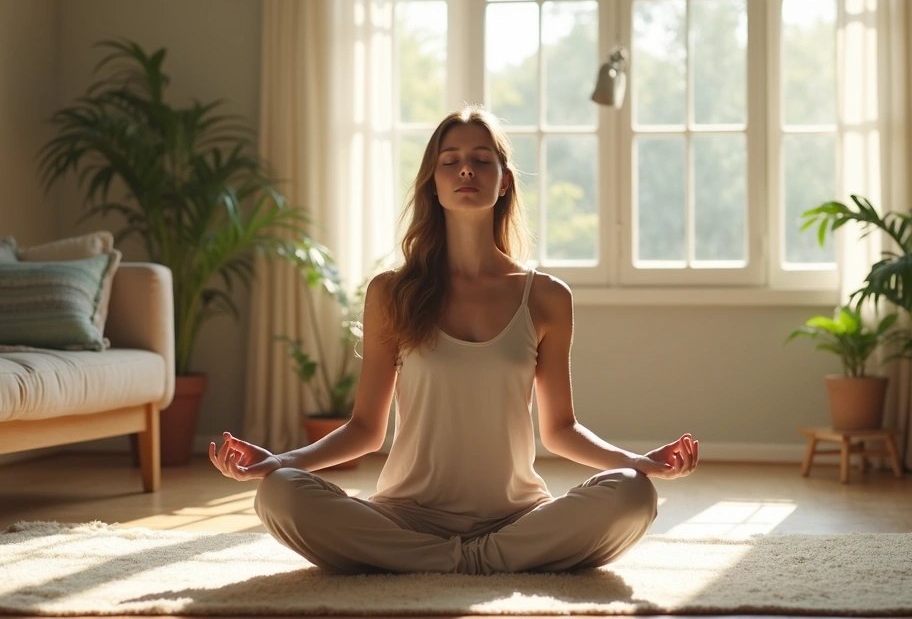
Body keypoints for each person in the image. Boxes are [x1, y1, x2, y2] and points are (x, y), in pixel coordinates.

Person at [209, 104, 700, 575]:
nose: (466, 170)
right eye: (451, 162)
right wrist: (280, 461)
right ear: (434, 182)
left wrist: (637, 462)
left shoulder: (546, 297)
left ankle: (434, 562)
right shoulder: (391, 292)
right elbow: (365, 428)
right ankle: (483, 562)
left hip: (516, 517)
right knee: (279, 493)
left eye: (481, 160)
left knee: (634, 494)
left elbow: (560, 430)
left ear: (504, 181)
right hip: (406, 516)